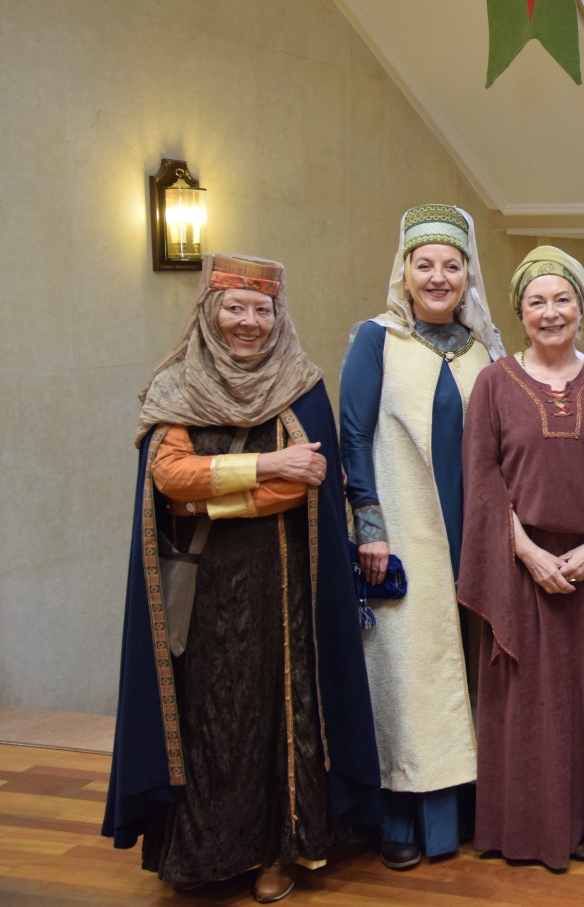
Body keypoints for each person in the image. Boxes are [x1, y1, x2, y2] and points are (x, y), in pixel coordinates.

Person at [104, 254, 381, 904]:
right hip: (203, 593)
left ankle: (278, 854)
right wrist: (269, 465)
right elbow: (169, 478)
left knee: (276, 721)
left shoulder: (301, 386)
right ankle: (203, 853)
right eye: (235, 307)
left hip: (283, 589)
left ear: (279, 316)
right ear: (210, 311)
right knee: (208, 721)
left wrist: (209, 499)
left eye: (262, 309)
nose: (248, 322)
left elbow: (306, 485)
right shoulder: (176, 383)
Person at [340, 204, 504, 870]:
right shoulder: (375, 340)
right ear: (404, 271)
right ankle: (402, 817)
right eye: (424, 264)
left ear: (468, 275)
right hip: (404, 535)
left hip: (474, 535)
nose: (438, 277)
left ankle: (466, 813)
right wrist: (370, 529)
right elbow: (353, 436)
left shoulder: (484, 351)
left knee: (466, 669)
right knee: (409, 672)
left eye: (451, 265)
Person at [458, 246, 584, 868]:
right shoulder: (493, 384)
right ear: (520, 311)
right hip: (519, 570)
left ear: (581, 306)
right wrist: (528, 554)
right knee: (525, 708)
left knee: (582, 706)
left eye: (563, 299)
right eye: (537, 302)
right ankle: (523, 831)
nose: (551, 312)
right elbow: (483, 481)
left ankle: (583, 829)